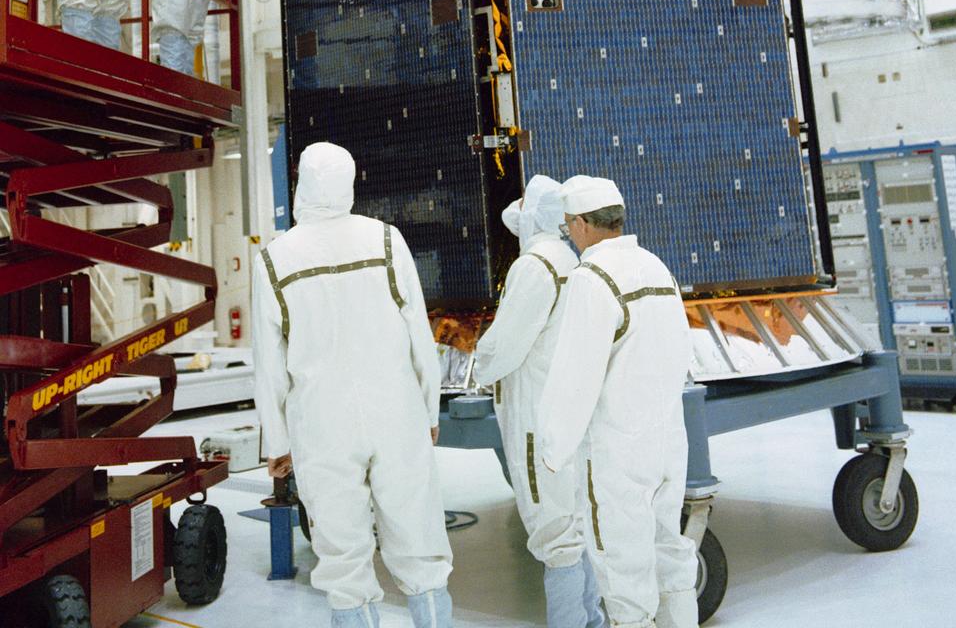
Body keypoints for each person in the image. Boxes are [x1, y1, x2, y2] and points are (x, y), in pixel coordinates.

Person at [251, 142, 453, 628]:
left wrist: (277, 442)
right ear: (350, 180)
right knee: (419, 544)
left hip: (321, 425)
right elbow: (419, 337)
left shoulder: (275, 259)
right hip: (396, 414)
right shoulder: (385, 241)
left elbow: (269, 362)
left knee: (342, 557)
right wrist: (429, 413)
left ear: (300, 183)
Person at [537, 177, 698, 628]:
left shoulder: (592, 277)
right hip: (667, 441)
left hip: (616, 452)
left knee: (623, 570)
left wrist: (553, 447)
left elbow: (575, 374)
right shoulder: (656, 267)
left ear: (584, 224)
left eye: (569, 224)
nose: (569, 233)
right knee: (670, 555)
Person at [474, 176, 604, 628]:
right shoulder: (569, 259)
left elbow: (504, 345)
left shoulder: (535, 266)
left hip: (536, 418)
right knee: (576, 522)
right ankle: (592, 620)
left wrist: (475, 367)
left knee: (554, 530)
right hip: (568, 412)